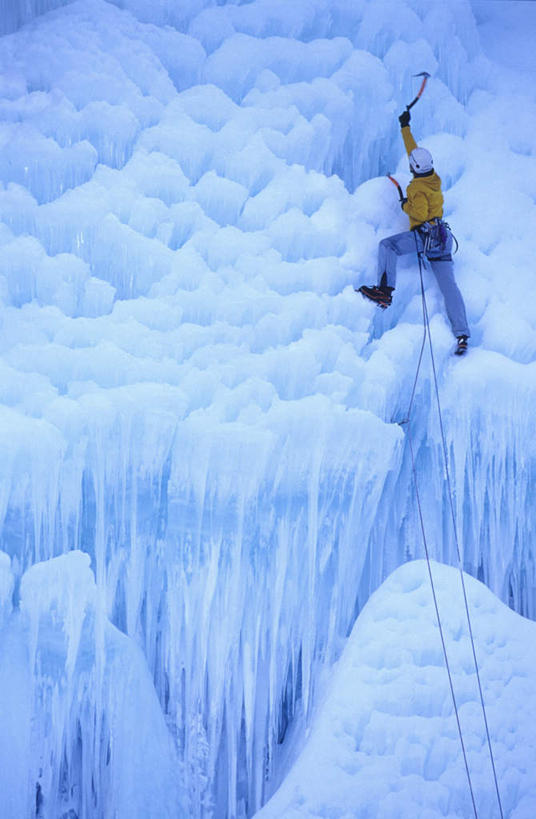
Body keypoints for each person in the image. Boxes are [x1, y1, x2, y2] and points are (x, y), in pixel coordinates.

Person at [359, 109, 470, 355]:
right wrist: (405, 128)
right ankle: (462, 334)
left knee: (387, 246)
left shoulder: (417, 187)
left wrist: (405, 205)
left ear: (413, 169)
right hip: (443, 238)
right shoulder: (433, 177)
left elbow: (418, 213)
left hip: (425, 237)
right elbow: (414, 153)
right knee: (449, 287)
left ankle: (384, 292)